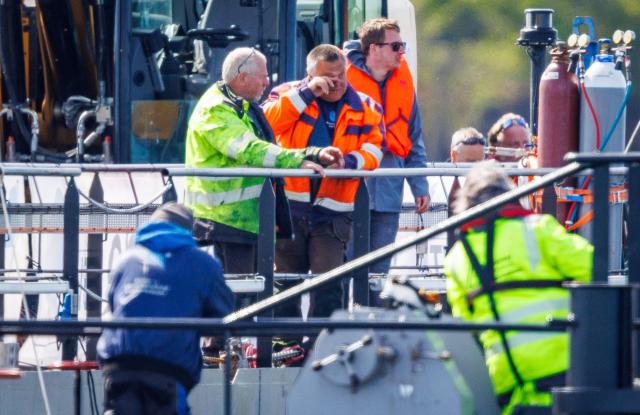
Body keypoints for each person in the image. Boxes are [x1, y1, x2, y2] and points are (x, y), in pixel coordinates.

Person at [444, 162, 593, 414]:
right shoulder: (539, 229)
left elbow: (465, 323)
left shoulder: (458, 256)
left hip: (505, 374)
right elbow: (590, 266)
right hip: (562, 362)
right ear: (511, 195)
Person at [184, 47, 343, 274]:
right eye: (263, 76)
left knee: (251, 294)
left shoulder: (236, 104)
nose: (267, 82)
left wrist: (311, 154)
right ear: (242, 77)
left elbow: (264, 147)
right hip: (227, 222)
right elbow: (250, 150)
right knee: (240, 298)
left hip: (241, 220)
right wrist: (299, 160)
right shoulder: (216, 110)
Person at [263, 43, 383, 318]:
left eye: (341, 74)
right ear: (311, 75)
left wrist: (348, 162)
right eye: (329, 76)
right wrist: (306, 94)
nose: (337, 82)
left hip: (334, 214)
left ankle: (324, 350)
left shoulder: (367, 106)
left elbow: (375, 150)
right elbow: (266, 125)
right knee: (285, 285)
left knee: (329, 286)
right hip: (288, 208)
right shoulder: (285, 94)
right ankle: (286, 349)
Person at [97, 202, 235, 415]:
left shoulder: (126, 260)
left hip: (117, 367)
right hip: (168, 368)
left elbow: (115, 305)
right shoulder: (203, 263)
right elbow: (224, 318)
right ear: (189, 230)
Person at [343, 18, 430, 275]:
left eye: (402, 46)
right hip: (348, 193)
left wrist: (419, 185)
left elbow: (414, 138)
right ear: (373, 48)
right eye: (395, 46)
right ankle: (341, 317)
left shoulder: (404, 83)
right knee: (344, 271)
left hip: (389, 193)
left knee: (378, 275)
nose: (401, 52)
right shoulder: (341, 79)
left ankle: (373, 316)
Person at [447, 127, 485, 250]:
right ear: (453, 155)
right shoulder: (434, 186)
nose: (476, 168)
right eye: (470, 162)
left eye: (480, 162)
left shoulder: (489, 188)